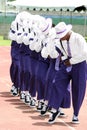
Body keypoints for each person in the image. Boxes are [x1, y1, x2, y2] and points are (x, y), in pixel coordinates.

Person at [47, 22, 87, 124]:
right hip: (66, 64)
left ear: (66, 33)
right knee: (57, 83)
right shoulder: (60, 41)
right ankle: (55, 109)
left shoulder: (78, 38)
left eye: (61, 36)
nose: (60, 38)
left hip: (80, 65)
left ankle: (75, 114)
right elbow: (60, 53)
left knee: (78, 89)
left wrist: (71, 61)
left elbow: (85, 54)